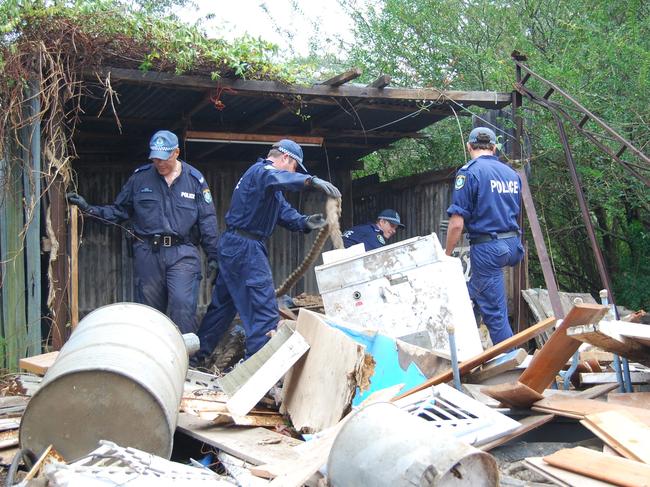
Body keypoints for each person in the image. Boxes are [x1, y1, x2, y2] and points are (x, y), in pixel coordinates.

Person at [192, 139, 341, 364]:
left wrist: (306, 222)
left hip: (235, 246)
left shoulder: (266, 186)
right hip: (245, 249)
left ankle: (195, 359)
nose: (293, 171)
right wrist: (310, 181)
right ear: (286, 158)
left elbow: (283, 212)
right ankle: (255, 369)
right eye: (294, 167)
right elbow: (278, 176)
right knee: (263, 312)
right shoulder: (262, 172)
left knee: (222, 307)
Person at [66, 130, 219, 334]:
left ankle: (186, 360)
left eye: (164, 158)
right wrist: (89, 209)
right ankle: (153, 360)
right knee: (150, 313)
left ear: (176, 153)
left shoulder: (194, 180)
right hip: (149, 252)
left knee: (183, 306)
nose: (159, 163)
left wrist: (214, 256)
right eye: (155, 158)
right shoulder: (140, 179)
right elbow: (120, 211)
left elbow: (207, 220)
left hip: (182, 252)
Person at [445, 126, 524, 345]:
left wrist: (447, 254)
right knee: (479, 292)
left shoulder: (469, 172)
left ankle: (511, 361)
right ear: (494, 147)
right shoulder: (511, 174)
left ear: (469, 146)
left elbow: (456, 224)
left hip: (489, 249)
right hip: (513, 245)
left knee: (495, 315)